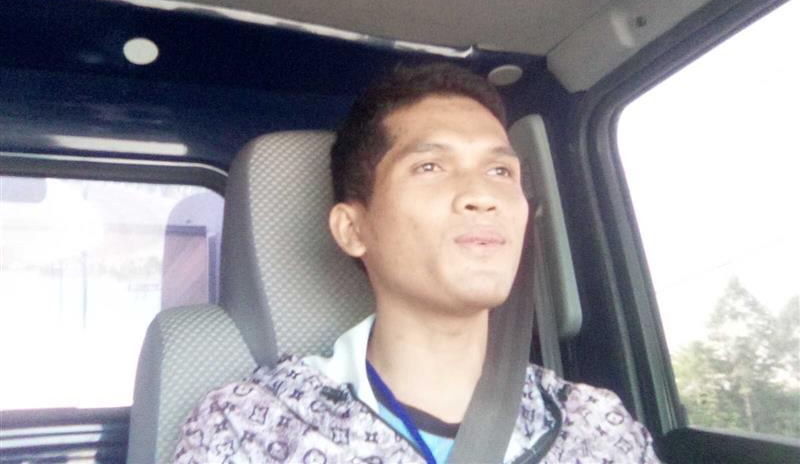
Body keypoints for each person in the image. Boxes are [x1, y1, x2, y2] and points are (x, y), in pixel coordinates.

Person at [173, 63, 661, 463]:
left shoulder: (596, 426)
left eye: (500, 170)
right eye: (430, 167)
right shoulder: (251, 429)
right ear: (352, 229)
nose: (483, 195)